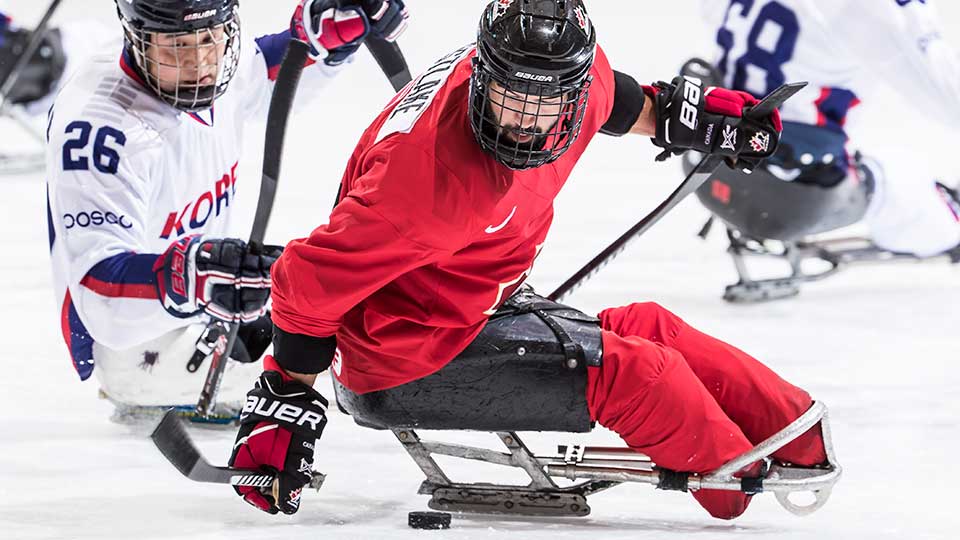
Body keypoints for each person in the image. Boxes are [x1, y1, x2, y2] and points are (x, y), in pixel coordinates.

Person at [227, 0, 826, 519]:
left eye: (545, 105)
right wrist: (285, 396)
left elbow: (620, 101)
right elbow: (305, 282)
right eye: (509, 98)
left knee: (651, 326)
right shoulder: (429, 192)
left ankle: (800, 432)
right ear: (484, 75)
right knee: (643, 375)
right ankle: (736, 490)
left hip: (474, 294)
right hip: (406, 350)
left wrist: (689, 116)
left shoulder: (566, 78)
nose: (523, 124)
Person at [45, 0, 408, 420]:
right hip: (138, 348)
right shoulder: (100, 131)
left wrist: (327, 35)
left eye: (210, 37)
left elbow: (267, 75)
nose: (201, 61)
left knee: (348, 306)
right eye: (176, 44)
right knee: (348, 346)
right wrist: (193, 276)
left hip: (209, 309)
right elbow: (99, 292)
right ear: (135, 37)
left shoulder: (198, 66)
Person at [698, 0, 960, 258]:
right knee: (903, 175)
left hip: (706, 162)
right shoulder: (878, 9)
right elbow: (946, 94)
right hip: (788, 191)